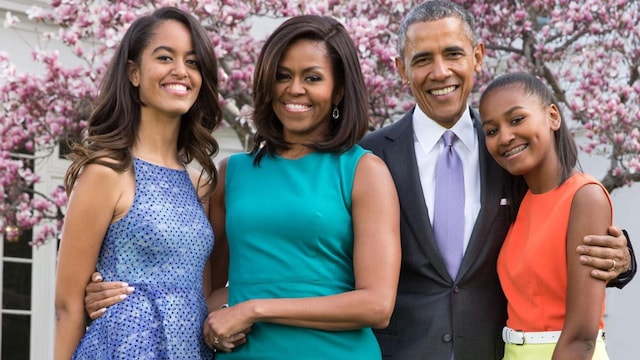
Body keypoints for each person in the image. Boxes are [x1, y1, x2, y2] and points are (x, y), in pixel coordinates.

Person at [84, 14, 401, 359]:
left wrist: (254, 308)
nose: (294, 89)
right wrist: (119, 294)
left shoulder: (364, 171)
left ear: (338, 90)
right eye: (282, 76)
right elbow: (203, 291)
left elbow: (377, 305)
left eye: (313, 77)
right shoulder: (231, 174)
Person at [357, 1, 635, 359]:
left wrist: (622, 262)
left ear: (478, 57)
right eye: (423, 59)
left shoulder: (513, 154)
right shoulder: (370, 157)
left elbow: (558, 217)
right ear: (400, 69)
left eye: (453, 54)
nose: (441, 72)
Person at [54, 7, 222, 359]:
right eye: (165, 57)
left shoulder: (200, 187)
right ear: (134, 73)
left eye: (193, 63)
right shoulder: (106, 173)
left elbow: (203, 297)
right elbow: (68, 306)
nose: (181, 71)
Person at [479, 72, 611, 359]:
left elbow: (581, 338)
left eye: (516, 120)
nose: (505, 137)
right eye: (491, 130)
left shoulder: (585, 196)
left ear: (553, 116)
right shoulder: (519, 203)